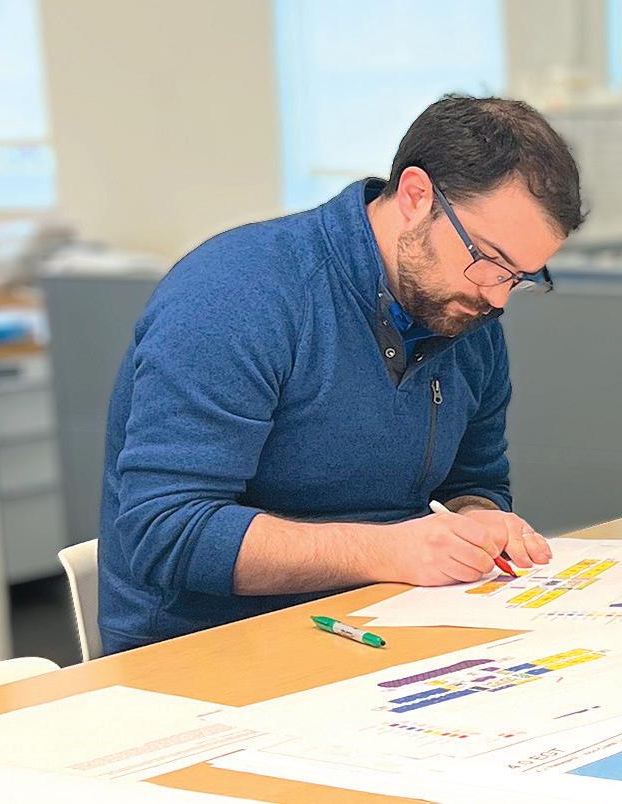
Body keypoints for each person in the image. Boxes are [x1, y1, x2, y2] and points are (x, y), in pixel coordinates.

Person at [97, 95, 586, 653]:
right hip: (204, 649)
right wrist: (388, 551)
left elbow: (474, 481)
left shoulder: (465, 314)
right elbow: (167, 531)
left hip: (388, 621)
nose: (497, 299)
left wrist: (479, 522)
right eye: (490, 260)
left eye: (520, 277)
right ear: (416, 197)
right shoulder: (237, 296)